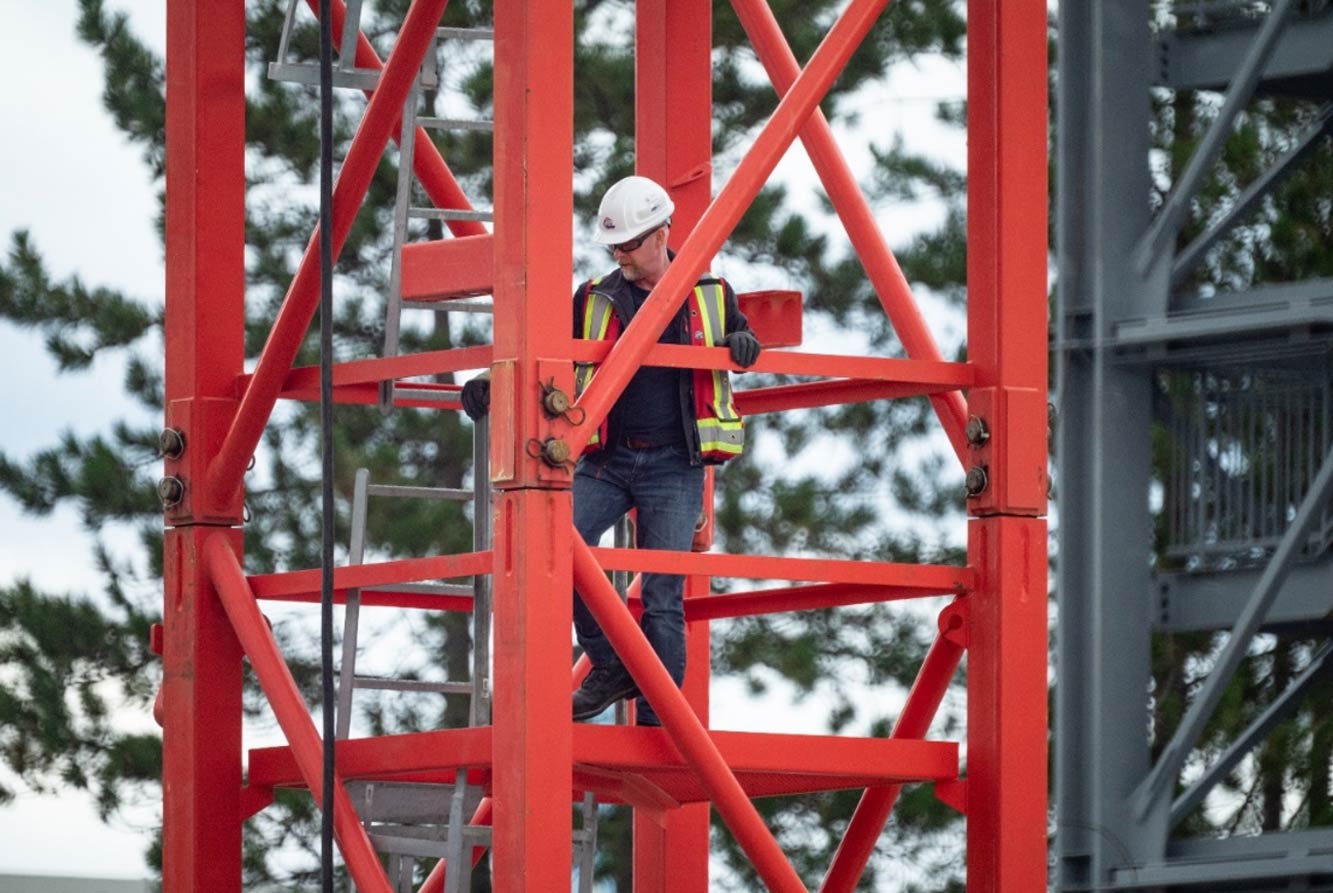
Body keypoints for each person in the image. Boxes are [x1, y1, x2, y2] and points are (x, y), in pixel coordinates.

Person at [461, 175, 761, 725]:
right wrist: (491, 382)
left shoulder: (712, 295)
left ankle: (661, 720)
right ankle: (611, 666)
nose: (620, 254)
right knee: (557, 545)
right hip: (608, 459)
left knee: (663, 595)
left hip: (675, 464)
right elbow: (546, 346)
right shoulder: (597, 296)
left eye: (628, 244)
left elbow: (740, 335)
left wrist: (744, 344)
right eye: (614, 246)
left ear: (661, 234)